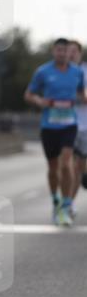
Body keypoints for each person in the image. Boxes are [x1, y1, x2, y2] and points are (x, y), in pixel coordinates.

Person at [24, 37, 85, 227]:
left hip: (69, 124)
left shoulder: (77, 72)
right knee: (53, 167)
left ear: (70, 53)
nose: (62, 54)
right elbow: (28, 94)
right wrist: (40, 102)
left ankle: (66, 206)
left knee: (67, 162)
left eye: (65, 51)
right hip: (49, 125)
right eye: (58, 50)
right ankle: (55, 201)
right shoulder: (43, 72)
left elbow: (82, 95)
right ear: (53, 51)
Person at [68, 39, 87, 214]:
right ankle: (68, 205)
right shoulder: (60, 72)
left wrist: (73, 95)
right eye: (68, 51)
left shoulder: (85, 72)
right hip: (65, 126)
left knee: (80, 169)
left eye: (74, 51)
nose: (71, 54)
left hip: (85, 127)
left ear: (80, 54)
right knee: (68, 168)